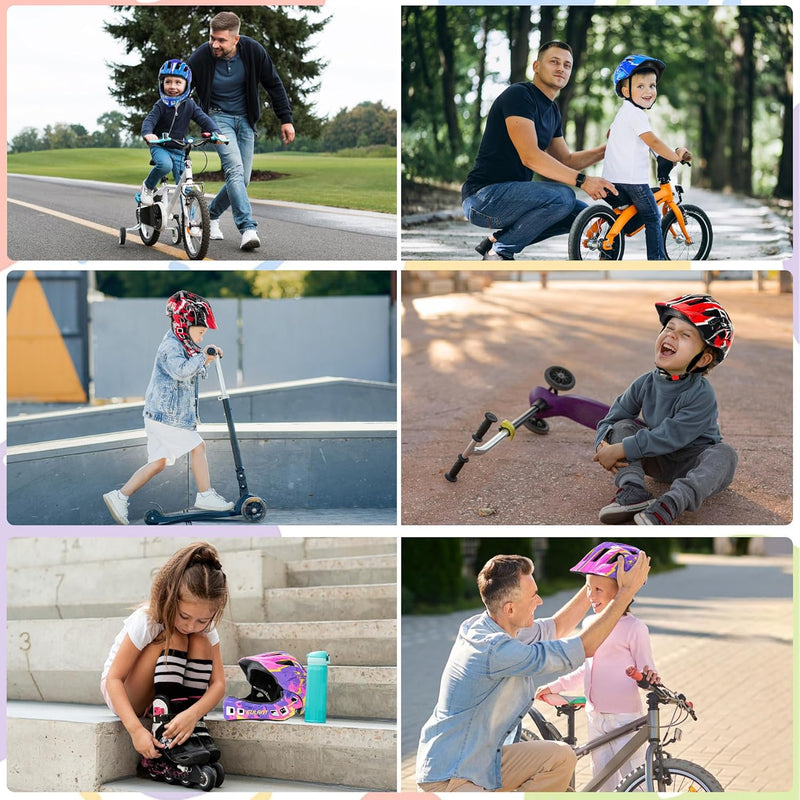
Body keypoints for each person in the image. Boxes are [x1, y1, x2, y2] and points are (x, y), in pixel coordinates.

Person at [416, 549, 650, 792]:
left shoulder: (493, 624)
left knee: (561, 757)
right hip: (452, 776)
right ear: (510, 609)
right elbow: (585, 647)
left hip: (483, 762)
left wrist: (597, 577)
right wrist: (624, 594)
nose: (540, 602)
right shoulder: (493, 649)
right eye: (534, 596)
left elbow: (557, 627)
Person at [461, 40, 617, 261]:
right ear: (536, 66)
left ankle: (496, 242)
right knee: (563, 196)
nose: (561, 68)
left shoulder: (552, 110)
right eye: (554, 62)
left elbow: (567, 160)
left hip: (510, 198)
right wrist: (583, 181)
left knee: (580, 215)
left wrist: (607, 149)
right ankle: (501, 251)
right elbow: (530, 156)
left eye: (567, 65)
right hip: (482, 199)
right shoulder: (519, 96)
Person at [594, 294, 737, 525]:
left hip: (693, 461)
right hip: (655, 459)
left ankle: (670, 504)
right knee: (622, 426)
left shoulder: (701, 394)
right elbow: (613, 417)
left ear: (703, 359)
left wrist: (623, 448)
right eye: (669, 328)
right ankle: (633, 491)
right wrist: (604, 444)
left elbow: (671, 435)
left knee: (725, 455)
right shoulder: (645, 382)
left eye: (685, 334)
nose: (670, 335)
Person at [102, 291, 234, 525]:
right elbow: (181, 371)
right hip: (167, 418)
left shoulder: (184, 345)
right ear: (184, 324)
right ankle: (205, 495)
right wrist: (203, 357)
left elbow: (194, 370)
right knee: (198, 447)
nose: (202, 339)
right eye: (201, 332)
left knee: (158, 462)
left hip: (160, 417)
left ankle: (120, 496)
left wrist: (207, 359)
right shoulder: (170, 347)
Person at [536, 542, 659, 790]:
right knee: (601, 779)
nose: (591, 596)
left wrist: (648, 678)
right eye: (589, 588)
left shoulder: (635, 629)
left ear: (622, 591)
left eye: (598, 589)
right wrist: (556, 685)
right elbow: (587, 668)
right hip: (595, 717)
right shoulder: (591, 623)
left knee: (635, 779)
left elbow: (648, 671)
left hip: (625, 718)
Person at [101, 542, 227, 765]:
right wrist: (136, 730)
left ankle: (181, 717)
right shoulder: (147, 619)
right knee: (176, 636)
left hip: (170, 692)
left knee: (200, 641)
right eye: (184, 616)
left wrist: (193, 714)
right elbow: (114, 679)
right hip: (128, 695)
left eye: (203, 620)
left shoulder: (204, 629)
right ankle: (164, 725)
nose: (191, 626)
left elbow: (218, 684)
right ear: (169, 597)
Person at [188, 11, 296, 251]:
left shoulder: (253, 51)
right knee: (234, 170)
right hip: (217, 118)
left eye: (221, 40)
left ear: (236, 39)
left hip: (245, 120)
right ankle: (248, 228)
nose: (215, 44)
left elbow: (274, 84)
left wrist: (286, 119)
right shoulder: (201, 57)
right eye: (212, 38)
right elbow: (180, 87)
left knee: (242, 178)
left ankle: (210, 216)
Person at [602, 55, 692, 260]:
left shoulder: (623, 113)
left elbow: (610, 135)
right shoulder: (637, 114)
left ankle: (608, 248)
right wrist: (674, 157)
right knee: (652, 217)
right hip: (632, 182)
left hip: (611, 179)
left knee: (626, 215)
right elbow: (653, 142)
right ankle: (657, 260)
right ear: (625, 91)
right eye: (640, 86)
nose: (648, 91)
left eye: (652, 85)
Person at [139, 59, 225, 207]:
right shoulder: (160, 105)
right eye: (168, 82)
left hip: (179, 149)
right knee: (165, 165)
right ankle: (148, 187)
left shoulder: (190, 105)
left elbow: (204, 119)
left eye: (178, 82)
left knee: (186, 187)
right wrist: (148, 133)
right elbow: (149, 121)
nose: (172, 86)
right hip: (160, 146)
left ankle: (190, 224)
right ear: (162, 83)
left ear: (186, 85)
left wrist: (216, 132)